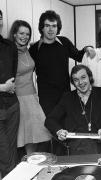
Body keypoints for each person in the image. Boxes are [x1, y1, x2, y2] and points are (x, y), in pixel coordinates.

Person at [29, 10, 94, 117]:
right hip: (46, 98)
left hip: (65, 95)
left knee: (67, 127)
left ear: (57, 28)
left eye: (54, 26)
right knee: (50, 128)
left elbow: (78, 55)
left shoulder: (64, 42)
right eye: (47, 26)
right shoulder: (35, 48)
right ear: (42, 27)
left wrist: (87, 47)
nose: (51, 29)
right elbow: (28, 70)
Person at [45, 64, 101, 155]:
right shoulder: (67, 97)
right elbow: (50, 120)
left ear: (89, 77)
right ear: (73, 83)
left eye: (83, 77)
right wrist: (59, 131)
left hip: (98, 143)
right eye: (76, 80)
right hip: (75, 144)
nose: (80, 82)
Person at [8, 20, 51, 155]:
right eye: (21, 33)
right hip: (17, 98)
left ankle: (30, 163)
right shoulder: (8, 51)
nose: (24, 36)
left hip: (32, 96)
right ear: (14, 34)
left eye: (27, 34)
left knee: (35, 134)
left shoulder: (28, 49)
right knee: (20, 136)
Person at [0, 10, 20, 178]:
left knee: (12, 151)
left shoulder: (9, 45)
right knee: (5, 154)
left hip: (12, 105)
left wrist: (9, 87)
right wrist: (2, 88)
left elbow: (12, 74)